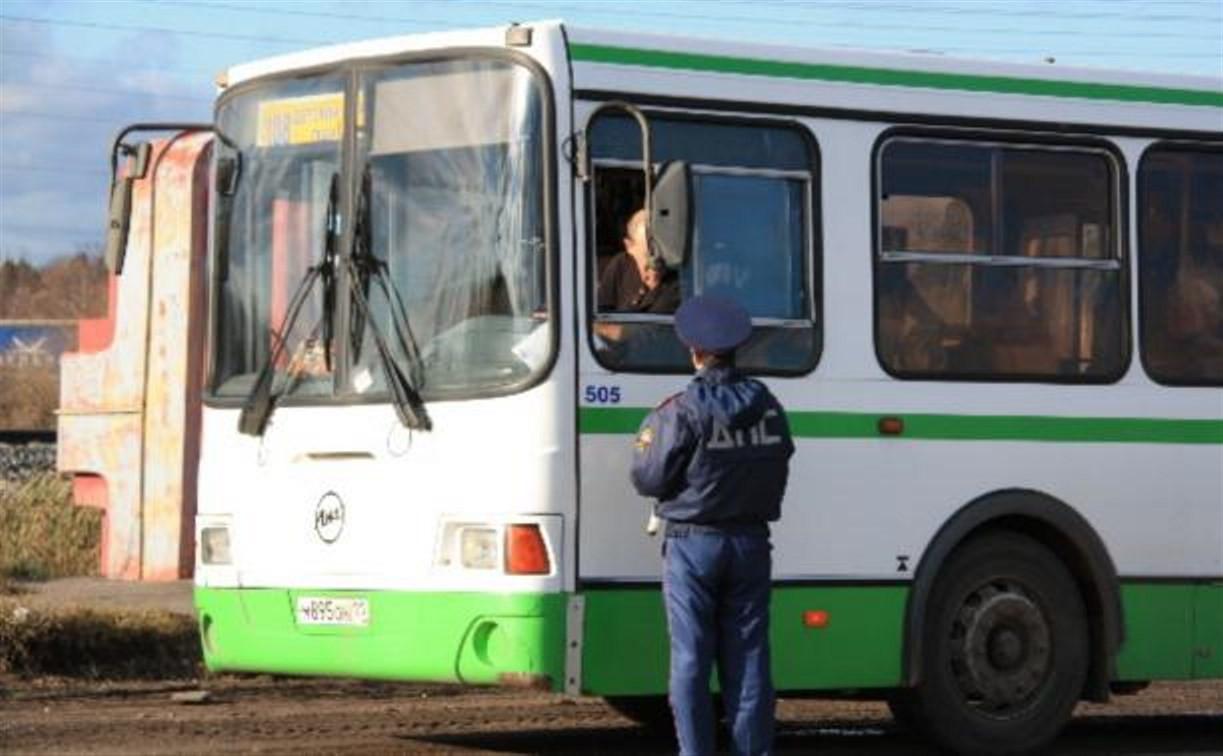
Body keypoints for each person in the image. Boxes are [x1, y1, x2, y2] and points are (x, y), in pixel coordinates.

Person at [630, 295, 794, 756]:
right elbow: (781, 463)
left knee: (690, 659)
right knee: (751, 658)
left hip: (692, 544)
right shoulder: (769, 406)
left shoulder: (679, 410)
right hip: (750, 542)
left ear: (695, 351)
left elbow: (648, 477)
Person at [598, 208, 681, 313]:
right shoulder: (621, 265)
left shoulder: (677, 276)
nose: (657, 262)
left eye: (661, 253)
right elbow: (601, 316)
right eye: (649, 255)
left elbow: (654, 325)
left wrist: (654, 289)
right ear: (629, 246)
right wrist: (643, 291)